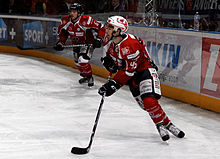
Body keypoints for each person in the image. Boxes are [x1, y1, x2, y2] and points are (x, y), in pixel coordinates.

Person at [98, 16, 185, 141]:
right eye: (107, 26)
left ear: (118, 31)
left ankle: (159, 124)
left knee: (149, 100)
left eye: (110, 27)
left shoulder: (130, 45)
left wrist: (113, 85)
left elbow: (129, 71)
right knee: (146, 106)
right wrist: (109, 63)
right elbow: (113, 59)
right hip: (130, 76)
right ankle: (167, 123)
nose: (106, 29)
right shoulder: (110, 38)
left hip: (145, 71)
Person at [54, 3, 104, 87]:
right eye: (71, 11)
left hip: (87, 44)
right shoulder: (65, 21)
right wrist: (61, 42)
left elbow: (101, 27)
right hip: (76, 45)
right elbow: (63, 33)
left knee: (83, 60)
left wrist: (99, 39)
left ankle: (89, 77)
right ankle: (86, 76)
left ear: (79, 13)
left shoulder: (87, 20)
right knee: (77, 63)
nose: (71, 14)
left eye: (74, 12)